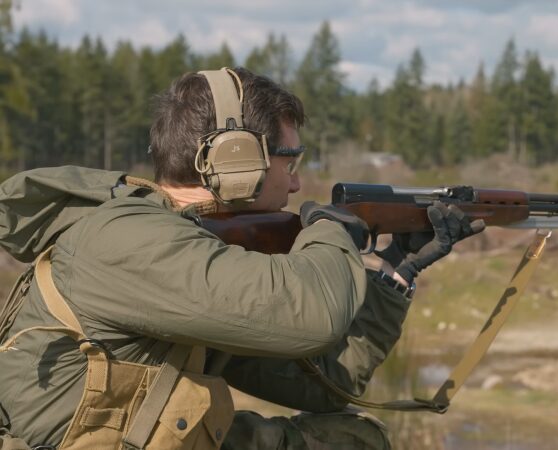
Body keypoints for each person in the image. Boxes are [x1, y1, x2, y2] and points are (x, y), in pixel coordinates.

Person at [0, 67, 483, 449]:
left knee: (351, 439)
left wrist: (396, 271)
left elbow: (323, 384)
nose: (295, 184)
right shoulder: (127, 241)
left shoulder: (187, 245)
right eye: (288, 161)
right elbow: (311, 314)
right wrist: (333, 229)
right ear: (236, 159)